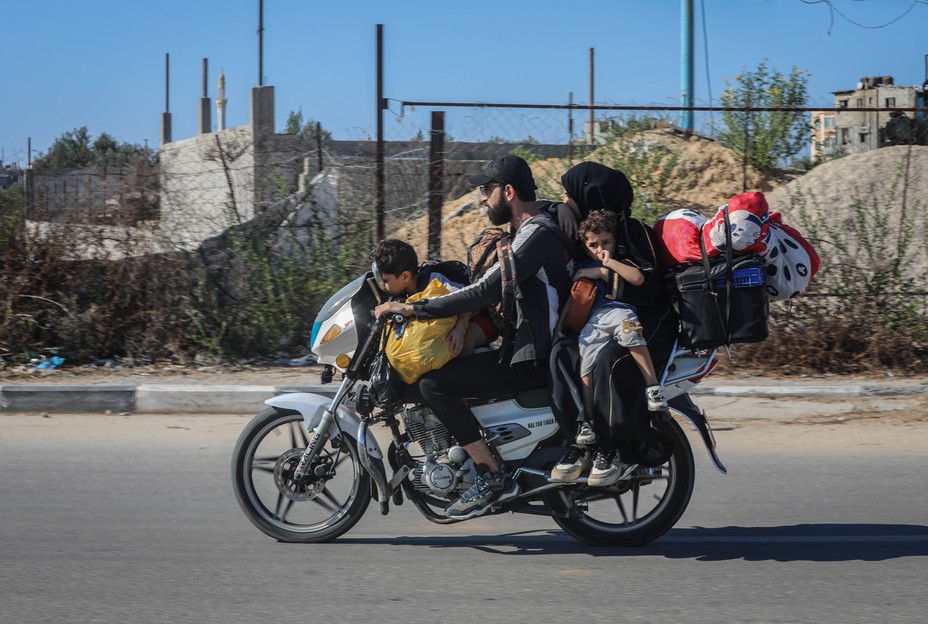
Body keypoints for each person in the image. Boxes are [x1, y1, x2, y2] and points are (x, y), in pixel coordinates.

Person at [374, 155, 573, 520]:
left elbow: (483, 291)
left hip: (531, 358)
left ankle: (491, 475)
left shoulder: (535, 236)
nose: (482, 199)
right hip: (522, 350)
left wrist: (413, 310)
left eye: (486, 190)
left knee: (435, 384)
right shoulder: (527, 232)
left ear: (508, 192)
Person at [548, 161, 680, 487]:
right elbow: (528, 209)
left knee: (608, 360)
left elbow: (645, 287)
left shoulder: (632, 232)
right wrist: (557, 207)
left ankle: (613, 446)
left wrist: (606, 273)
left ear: (590, 195)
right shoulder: (588, 233)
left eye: (570, 194)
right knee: (561, 352)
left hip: (645, 323)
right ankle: (581, 432)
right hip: (600, 321)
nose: (566, 200)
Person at [369, 239, 495, 358]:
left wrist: (460, 329)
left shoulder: (434, 280)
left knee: (462, 343)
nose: (382, 285)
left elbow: (464, 302)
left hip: (478, 316)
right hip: (450, 321)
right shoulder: (401, 294)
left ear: (405, 277)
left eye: (385, 280)